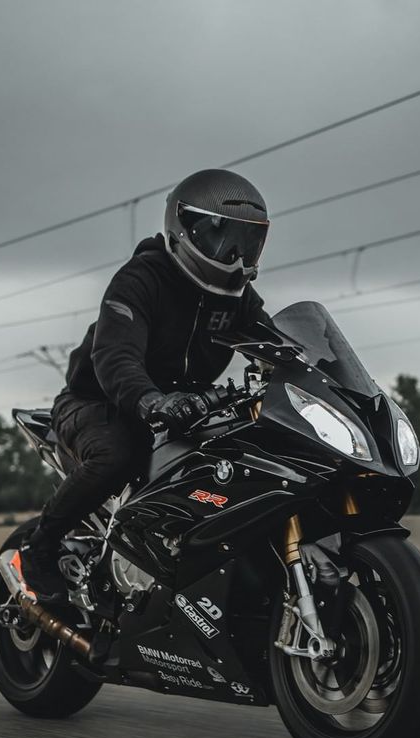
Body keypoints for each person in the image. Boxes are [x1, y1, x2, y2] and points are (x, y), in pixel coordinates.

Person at [20, 168, 272, 600]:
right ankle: (39, 549)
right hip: (99, 402)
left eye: (246, 243)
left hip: (185, 409)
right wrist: (151, 400)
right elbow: (114, 355)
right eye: (222, 239)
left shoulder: (238, 300)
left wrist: (324, 375)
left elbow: (277, 345)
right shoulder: (143, 278)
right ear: (185, 228)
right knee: (118, 454)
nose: (235, 257)